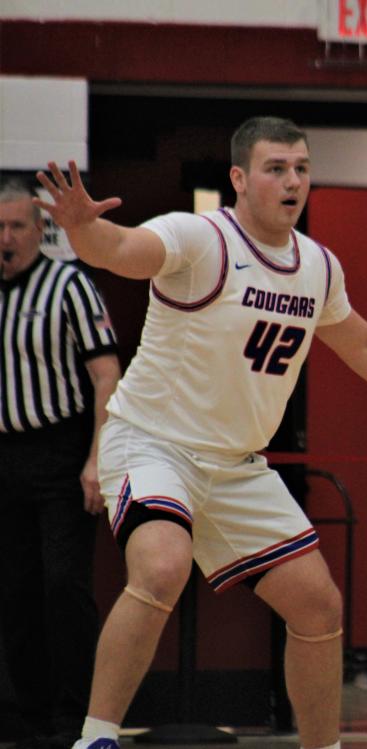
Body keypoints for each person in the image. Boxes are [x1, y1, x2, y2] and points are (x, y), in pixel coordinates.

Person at [33, 116, 367, 749]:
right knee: (163, 566)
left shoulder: (317, 266)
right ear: (239, 178)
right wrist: (82, 229)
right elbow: (119, 251)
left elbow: (364, 345)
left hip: (234, 464)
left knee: (319, 606)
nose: (293, 181)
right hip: (152, 442)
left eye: (302, 168)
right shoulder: (200, 238)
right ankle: (96, 738)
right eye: (276, 168)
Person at [0, 178, 121, 749]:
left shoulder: (69, 284)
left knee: (63, 584)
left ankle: (77, 717)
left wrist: (98, 457)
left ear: (39, 228)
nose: (6, 237)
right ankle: (24, 717)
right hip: (4, 456)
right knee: (13, 588)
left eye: (17, 226)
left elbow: (106, 375)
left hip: (60, 451)